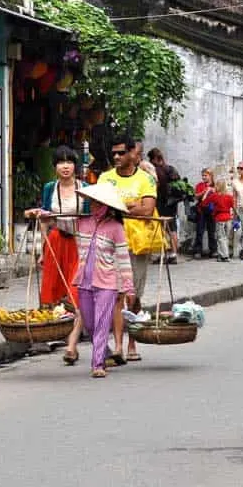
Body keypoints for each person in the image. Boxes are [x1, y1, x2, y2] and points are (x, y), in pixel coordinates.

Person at [48, 183, 134, 379]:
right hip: (85, 280)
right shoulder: (82, 223)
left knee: (102, 322)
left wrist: (128, 287)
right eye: (94, 203)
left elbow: (123, 258)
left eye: (100, 204)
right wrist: (42, 214)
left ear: (108, 206)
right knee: (89, 323)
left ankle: (98, 364)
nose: (95, 206)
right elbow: (60, 223)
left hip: (108, 282)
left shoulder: (116, 227)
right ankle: (104, 352)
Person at [24, 145, 90, 365]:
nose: (65, 167)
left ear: (75, 166)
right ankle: (45, 334)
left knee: (76, 292)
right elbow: (45, 218)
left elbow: (90, 219)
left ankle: (72, 343)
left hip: (79, 243)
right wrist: (43, 249)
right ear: (55, 167)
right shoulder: (50, 188)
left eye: (69, 162)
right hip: (56, 241)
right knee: (50, 290)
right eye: (60, 163)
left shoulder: (85, 188)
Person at [99, 135, 158, 364]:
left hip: (138, 242)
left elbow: (147, 209)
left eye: (121, 153)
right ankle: (118, 345)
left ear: (133, 154)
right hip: (110, 241)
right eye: (113, 153)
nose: (116, 157)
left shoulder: (146, 179)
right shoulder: (105, 178)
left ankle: (132, 340)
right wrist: (131, 205)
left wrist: (120, 208)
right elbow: (102, 208)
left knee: (133, 295)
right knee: (115, 294)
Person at [148, 147, 181, 264]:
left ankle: (163, 254)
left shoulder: (154, 171)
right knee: (172, 229)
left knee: (161, 229)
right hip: (172, 204)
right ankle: (174, 254)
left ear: (153, 159)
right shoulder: (171, 169)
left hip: (160, 203)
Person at [202, 180, 234, 262]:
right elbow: (233, 207)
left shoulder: (214, 196)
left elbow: (204, 203)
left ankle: (225, 256)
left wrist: (207, 192)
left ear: (217, 186)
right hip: (228, 218)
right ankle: (221, 255)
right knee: (225, 238)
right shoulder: (229, 196)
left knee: (220, 238)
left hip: (220, 218)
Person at [193, 168, 217, 258]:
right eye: (202, 175)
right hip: (201, 210)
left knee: (212, 231)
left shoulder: (215, 185)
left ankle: (213, 250)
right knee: (200, 231)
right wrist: (204, 192)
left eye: (205, 175)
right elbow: (195, 196)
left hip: (212, 211)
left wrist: (213, 191)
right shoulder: (200, 185)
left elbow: (219, 196)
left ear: (210, 176)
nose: (203, 177)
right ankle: (198, 251)